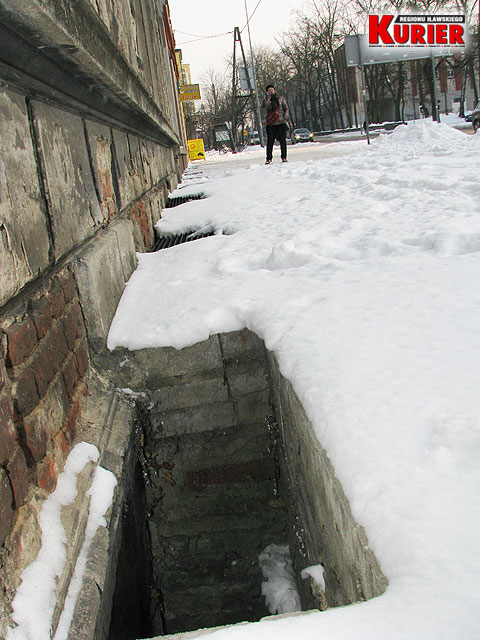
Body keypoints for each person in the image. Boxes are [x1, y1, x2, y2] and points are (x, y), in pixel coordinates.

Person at [262, 84, 291, 164]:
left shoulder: (280, 98)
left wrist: (285, 117)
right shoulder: (266, 100)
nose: (271, 91)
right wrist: (268, 98)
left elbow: (286, 108)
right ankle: (269, 158)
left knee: (282, 141)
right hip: (271, 123)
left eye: (272, 90)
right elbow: (265, 106)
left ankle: (284, 157)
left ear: (274, 90)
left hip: (281, 122)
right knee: (270, 141)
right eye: (269, 90)